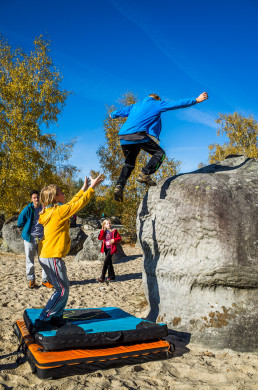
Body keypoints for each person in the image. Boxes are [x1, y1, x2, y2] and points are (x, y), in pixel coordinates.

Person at [32, 174, 104, 332]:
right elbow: (78, 205)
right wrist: (92, 188)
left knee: (64, 287)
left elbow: (72, 203)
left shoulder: (53, 210)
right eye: (61, 192)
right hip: (51, 256)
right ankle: (43, 320)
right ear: (55, 197)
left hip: (47, 255)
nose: (64, 193)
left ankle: (56, 317)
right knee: (62, 290)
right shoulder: (58, 212)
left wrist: (83, 189)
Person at [110, 92, 208, 201]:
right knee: (160, 153)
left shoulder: (135, 106)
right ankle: (144, 174)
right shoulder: (157, 104)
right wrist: (196, 100)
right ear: (156, 99)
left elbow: (118, 112)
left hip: (123, 137)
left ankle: (119, 186)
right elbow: (176, 104)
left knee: (129, 164)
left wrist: (112, 114)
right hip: (137, 135)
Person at [17, 190, 52, 289]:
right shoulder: (27, 209)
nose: (36, 199)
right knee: (29, 260)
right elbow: (20, 222)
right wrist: (28, 227)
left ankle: (45, 281)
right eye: (34, 198)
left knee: (44, 260)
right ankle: (31, 280)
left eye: (37, 197)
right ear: (31, 199)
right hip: (30, 238)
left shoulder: (44, 208)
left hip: (42, 238)